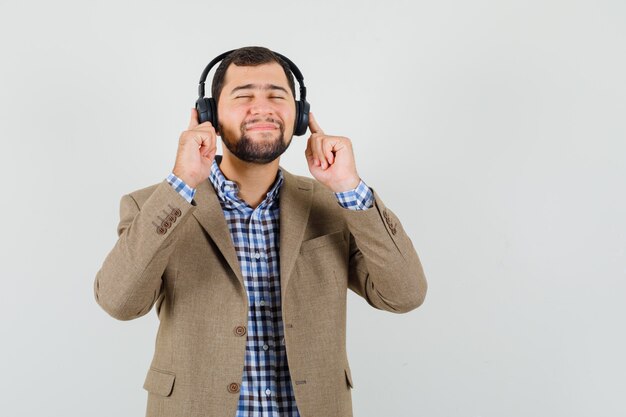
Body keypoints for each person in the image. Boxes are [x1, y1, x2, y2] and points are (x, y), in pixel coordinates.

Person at [94, 46, 427, 417]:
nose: (262, 107)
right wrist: (183, 182)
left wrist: (349, 185)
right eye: (244, 95)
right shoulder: (156, 206)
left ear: (299, 115)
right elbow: (118, 302)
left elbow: (404, 295)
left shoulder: (335, 204)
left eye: (276, 95)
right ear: (209, 115)